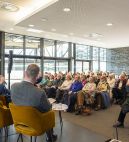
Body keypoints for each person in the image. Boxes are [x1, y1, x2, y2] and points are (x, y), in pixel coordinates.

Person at [11, 64, 57, 142]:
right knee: (49, 112)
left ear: (25, 73)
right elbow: (48, 108)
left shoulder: (13, 86)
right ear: (37, 77)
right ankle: (50, 137)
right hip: (35, 125)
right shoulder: (39, 92)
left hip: (18, 122)